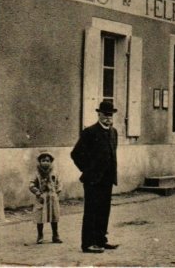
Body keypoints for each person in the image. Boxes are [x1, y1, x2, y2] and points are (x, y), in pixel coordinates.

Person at [70, 100, 119, 254]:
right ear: (98, 114)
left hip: (107, 179)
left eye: (110, 115)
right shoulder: (90, 132)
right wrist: (88, 170)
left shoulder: (113, 132)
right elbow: (76, 154)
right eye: (105, 115)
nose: (108, 118)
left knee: (104, 211)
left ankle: (100, 240)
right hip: (93, 180)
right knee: (91, 211)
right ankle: (88, 244)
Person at [29, 151, 62, 244]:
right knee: (40, 217)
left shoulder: (54, 172)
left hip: (52, 197)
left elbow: (59, 183)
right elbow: (31, 184)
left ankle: (55, 235)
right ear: (40, 162)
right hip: (41, 197)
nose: (45, 162)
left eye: (48, 160)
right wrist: (36, 191)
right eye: (43, 160)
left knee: (54, 216)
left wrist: (57, 190)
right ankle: (40, 235)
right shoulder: (37, 174)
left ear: (51, 162)